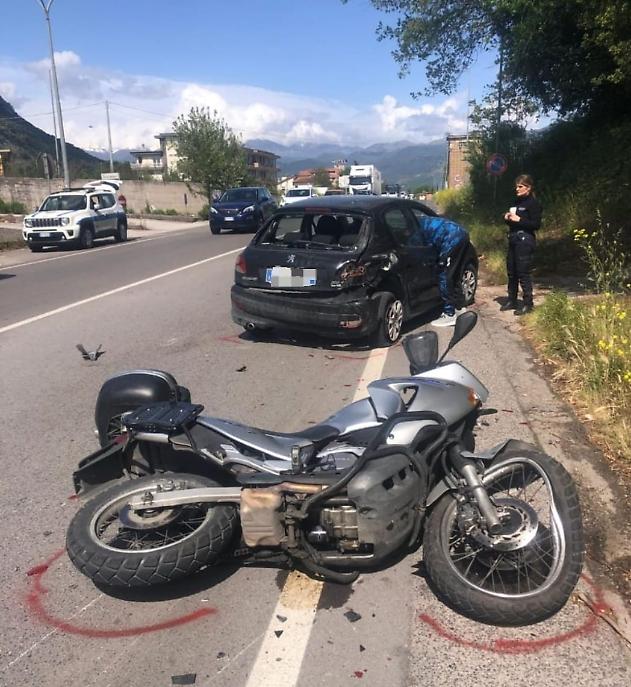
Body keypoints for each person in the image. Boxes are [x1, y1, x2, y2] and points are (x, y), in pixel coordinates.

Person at [414, 216, 469, 327]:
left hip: (452, 239)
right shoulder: (419, 220)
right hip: (461, 234)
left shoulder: (413, 232)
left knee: (445, 275)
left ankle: (449, 313)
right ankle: (460, 308)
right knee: (454, 275)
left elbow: (419, 251)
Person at [501, 174, 542, 315]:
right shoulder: (516, 202)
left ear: (528, 188)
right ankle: (511, 300)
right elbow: (512, 221)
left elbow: (536, 224)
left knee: (523, 272)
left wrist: (519, 220)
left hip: (525, 240)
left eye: (520, 186)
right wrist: (507, 217)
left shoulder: (533, 203)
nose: (517, 189)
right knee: (511, 272)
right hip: (513, 238)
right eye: (516, 187)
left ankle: (528, 304)